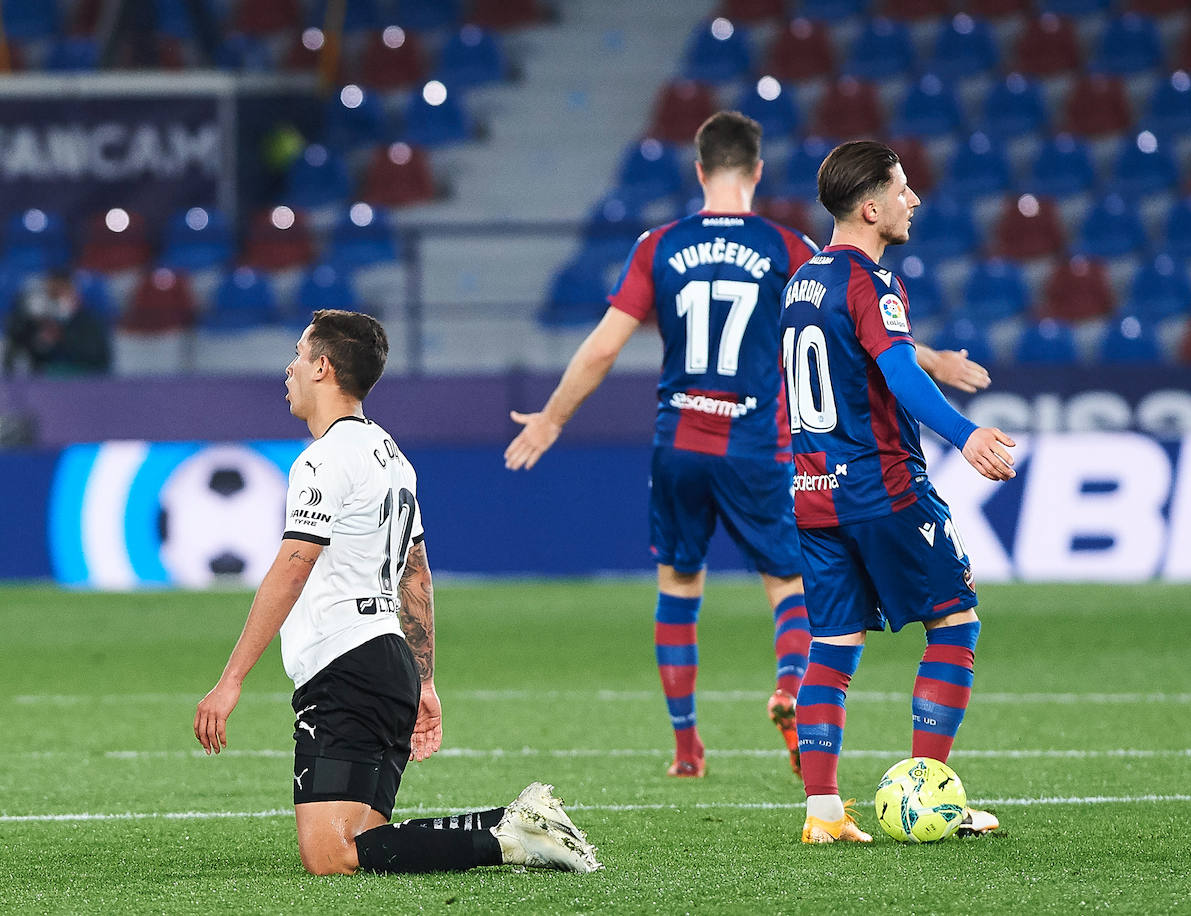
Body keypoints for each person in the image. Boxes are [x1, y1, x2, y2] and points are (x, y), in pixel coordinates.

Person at [505, 112, 991, 781]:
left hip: (677, 441)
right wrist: (933, 363)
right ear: (758, 171)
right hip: (761, 445)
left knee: (678, 586)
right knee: (789, 587)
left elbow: (605, 345)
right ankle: (792, 686)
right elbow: (864, 323)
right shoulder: (787, 247)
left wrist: (553, 419)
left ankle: (686, 746)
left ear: (699, 170)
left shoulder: (658, 246)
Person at [194, 309, 600, 875]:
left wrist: (230, 681)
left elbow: (293, 567)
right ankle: (515, 823)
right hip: (387, 664)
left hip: (346, 666)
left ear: (323, 368)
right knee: (366, 838)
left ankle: (508, 838)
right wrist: (424, 678)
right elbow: (417, 574)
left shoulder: (323, 459)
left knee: (330, 854)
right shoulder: (392, 456)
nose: (289, 368)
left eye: (298, 354)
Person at [778, 141, 1017, 845]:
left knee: (833, 644)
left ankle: (823, 813)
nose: (913, 200)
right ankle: (929, 794)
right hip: (882, 487)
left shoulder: (801, 283)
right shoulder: (868, 281)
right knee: (955, 622)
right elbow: (903, 376)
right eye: (902, 189)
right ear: (870, 206)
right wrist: (963, 435)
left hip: (814, 493)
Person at [2, 271, 110, 376]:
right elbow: (25, 351)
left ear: (73, 292)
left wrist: (62, 335)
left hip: (84, 379)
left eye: (60, 293)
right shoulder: (40, 319)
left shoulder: (89, 320)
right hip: (45, 380)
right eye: (52, 294)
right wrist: (28, 318)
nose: (56, 299)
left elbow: (98, 356)